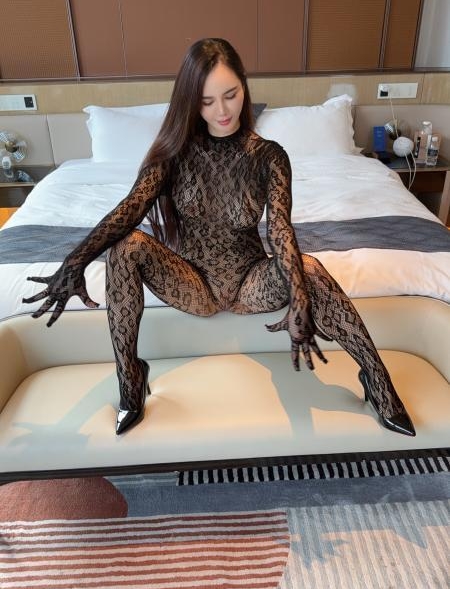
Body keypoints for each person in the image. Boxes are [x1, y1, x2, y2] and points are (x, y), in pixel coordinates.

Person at [23, 38, 415, 437]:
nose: (222, 111)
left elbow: (280, 229)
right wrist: (75, 260)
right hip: (193, 284)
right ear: (191, 101)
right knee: (126, 247)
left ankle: (377, 380)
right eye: (207, 101)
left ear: (244, 86)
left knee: (309, 267)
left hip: (249, 284)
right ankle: (130, 378)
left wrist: (299, 297)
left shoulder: (269, 156)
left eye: (230, 95)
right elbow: (130, 209)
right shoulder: (173, 155)